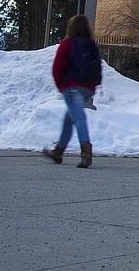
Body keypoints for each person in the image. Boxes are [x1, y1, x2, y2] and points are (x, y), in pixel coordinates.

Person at [42, 15, 101, 168]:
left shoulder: (67, 44)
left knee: (79, 118)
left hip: (72, 87)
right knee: (69, 118)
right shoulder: (91, 45)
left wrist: (62, 86)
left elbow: (57, 68)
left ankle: (86, 152)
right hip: (88, 89)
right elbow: (98, 68)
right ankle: (58, 151)